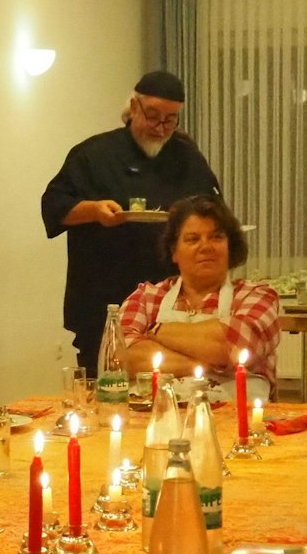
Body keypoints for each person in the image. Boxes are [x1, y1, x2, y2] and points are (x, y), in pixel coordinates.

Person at [40, 70, 222, 373]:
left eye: (170, 119)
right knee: (109, 390)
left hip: (173, 303)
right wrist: (94, 211)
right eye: (153, 116)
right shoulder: (94, 154)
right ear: (133, 107)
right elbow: (54, 207)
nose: (161, 128)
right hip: (104, 297)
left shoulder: (187, 157)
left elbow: (215, 213)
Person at [116, 196, 280, 403]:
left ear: (230, 247)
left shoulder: (257, 296)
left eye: (216, 237)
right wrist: (206, 366)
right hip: (159, 419)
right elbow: (124, 357)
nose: (206, 247)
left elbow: (230, 346)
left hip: (236, 424)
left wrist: (156, 331)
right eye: (193, 239)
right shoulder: (146, 297)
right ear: (174, 252)